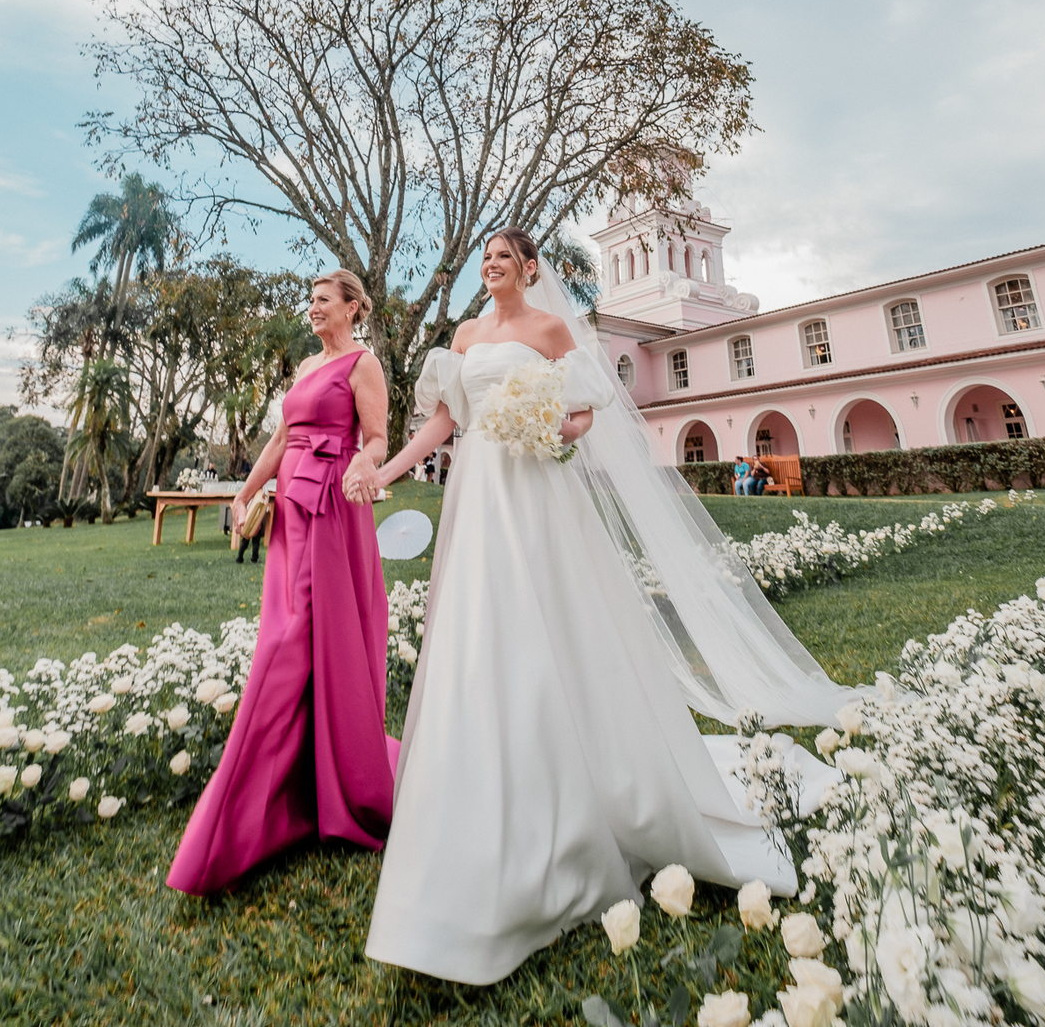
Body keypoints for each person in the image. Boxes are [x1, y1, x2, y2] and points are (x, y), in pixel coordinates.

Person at [344, 230, 852, 986]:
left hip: (538, 496)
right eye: (485, 261)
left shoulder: (551, 332)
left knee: (550, 633)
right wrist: (384, 468)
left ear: (530, 270)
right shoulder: (465, 336)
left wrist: (552, 425)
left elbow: (583, 416)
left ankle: (578, 799)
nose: (492, 269)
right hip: (479, 497)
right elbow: (444, 423)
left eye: (504, 260)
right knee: (478, 635)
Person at [166, 269, 396, 895]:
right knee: (290, 632)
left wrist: (361, 466)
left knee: (296, 641)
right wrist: (244, 493)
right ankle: (296, 791)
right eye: (312, 301)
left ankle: (250, 810)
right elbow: (281, 436)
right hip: (291, 510)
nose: (314, 308)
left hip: (333, 508)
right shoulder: (303, 366)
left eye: (325, 301)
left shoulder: (362, 364)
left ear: (353, 308)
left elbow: (376, 438)